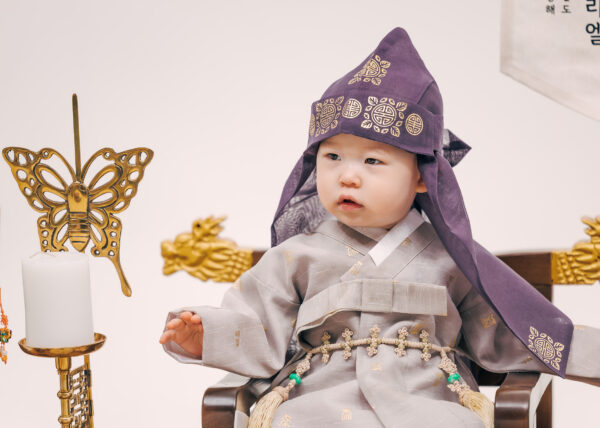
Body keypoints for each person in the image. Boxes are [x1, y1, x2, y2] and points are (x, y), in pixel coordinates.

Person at [160, 28, 600, 428]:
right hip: (316, 404)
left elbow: (508, 330)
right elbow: (257, 328)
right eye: (332, 157)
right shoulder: (294, 257)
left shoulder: (451, 259)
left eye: (372, 161)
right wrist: (207, 334)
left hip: (429, 402)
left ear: (424, 177)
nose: (348, 176)